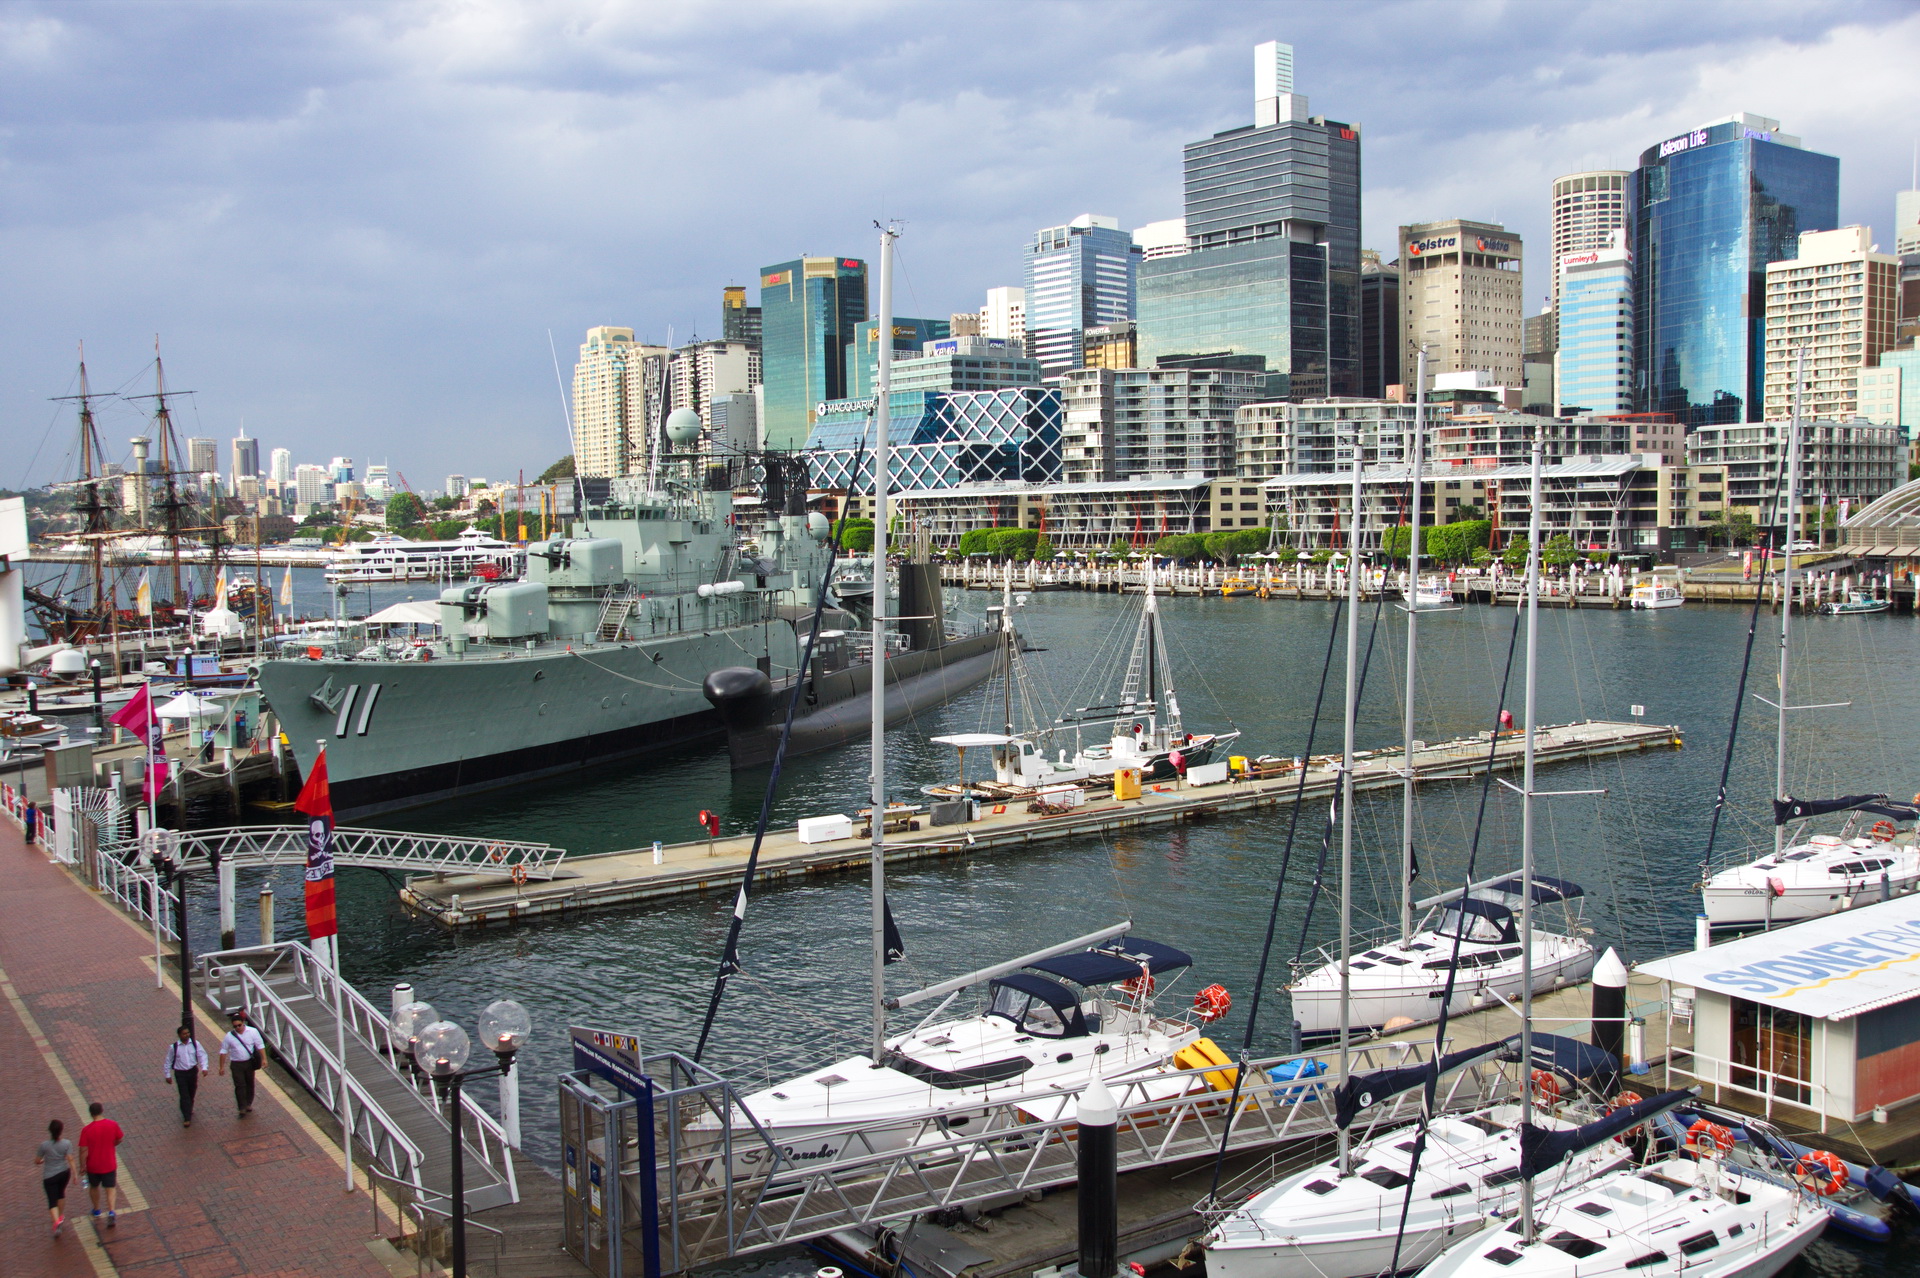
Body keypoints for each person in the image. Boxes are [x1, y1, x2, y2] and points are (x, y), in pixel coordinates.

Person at [76, 1102, 122, 1227]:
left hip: (93, 1165)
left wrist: (82, 1166)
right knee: (110, 1188)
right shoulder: (112, 1124)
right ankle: (111, 1211)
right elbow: (119, 1139)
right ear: (102, 1110)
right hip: (109, 1163)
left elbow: (83, 1150)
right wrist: (112, 1144)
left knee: (94, 1186)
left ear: (91, 1114)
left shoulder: (87, 1130)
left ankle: (96, 1210)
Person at [218, 1011, 268, 1116]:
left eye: (239, 1025)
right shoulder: (229, 1036)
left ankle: (248, 1103)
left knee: (250, 1083)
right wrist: (221, 1067)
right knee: (240, 1085)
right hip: (236, 1064)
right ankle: (242, 1107)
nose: (238, 1028)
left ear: (243, 1023)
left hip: (249, 1063)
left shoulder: (252, 1032)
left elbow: (260, 1045)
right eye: (235, 1026)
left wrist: (264, 1059)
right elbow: (223, 1051)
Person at [35, 1117, 77, 1238]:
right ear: (61, 1131)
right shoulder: (67, 1143)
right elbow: (70, 1159)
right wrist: (74, 1174)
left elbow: (37, 1160)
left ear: (50, 1131)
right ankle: (60, 1216)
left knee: (52, 1201)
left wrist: (43, 1161)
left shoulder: (44, 1145)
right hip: (64, 1173)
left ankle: (56, 1223)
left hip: (49, 1176)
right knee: (61, 1194)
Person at [163, 1023, 210, 1127]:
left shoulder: (195, 1044)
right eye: (184, 1033)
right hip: (180, 1073)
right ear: (179, 1035)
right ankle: (186, 1117)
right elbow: (168, 1061)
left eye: (188, 1033)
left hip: (192, 1071)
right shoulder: (173, 1047)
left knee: (191, 1092)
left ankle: (189, 1107)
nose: (187, 1035)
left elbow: (202, 1055)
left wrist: (204, 1067)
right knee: (184, 1094)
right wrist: (167, 1075)